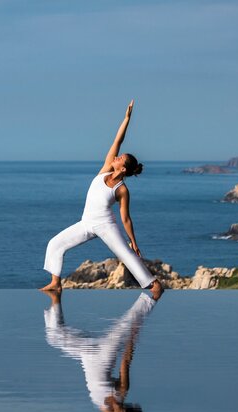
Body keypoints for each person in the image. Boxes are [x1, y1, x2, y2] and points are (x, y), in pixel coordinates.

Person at [40, 100, 164, 300]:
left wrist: (133, 242)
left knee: (127, 256)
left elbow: (126, 219)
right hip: (86, 223)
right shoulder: (105, 169)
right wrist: (127, 119)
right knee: (55, 244)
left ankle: (154, 285)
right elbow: (117, 141)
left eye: (120, 159)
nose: (116, 158)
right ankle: (56, 282)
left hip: (106, 226)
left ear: (123, 169)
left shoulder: (121, 189)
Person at [42, 290, 156, 412]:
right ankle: (154, 296)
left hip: (84, 353)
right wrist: (131, 340)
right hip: (104, 354)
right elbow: (126, 361)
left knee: (54, 336)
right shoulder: (122, 391)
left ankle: (56, 297)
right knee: (127, 323)